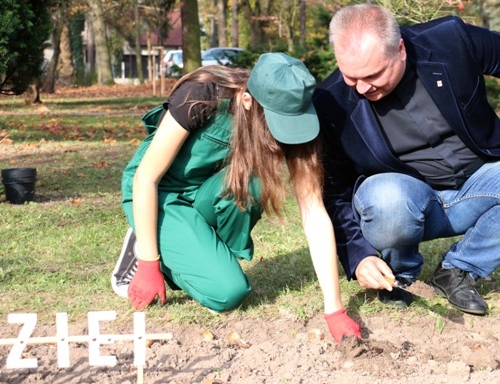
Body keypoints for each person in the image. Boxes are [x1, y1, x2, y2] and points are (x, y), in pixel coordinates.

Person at [312, 4, 500, 315]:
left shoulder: (449, 41)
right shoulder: (331, 102)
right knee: (386, 197)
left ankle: (459, 269)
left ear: (400, 49)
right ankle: (399, 275)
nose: (361, 87)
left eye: (373, 74)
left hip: (478, 183)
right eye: (350, 76)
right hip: (404, 200)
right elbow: (337, 191)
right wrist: (358, 256)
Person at [111, 52, 362, 343]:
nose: (283, 136)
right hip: (160, 194)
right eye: (277, 124)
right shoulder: (202, 94)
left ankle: (187, 247)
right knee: (228, 293)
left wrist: (334, 310)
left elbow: (313, 209)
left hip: (207, 190)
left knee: (254, 183)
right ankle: (148, 239)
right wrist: (148, 264)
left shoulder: (298, 113)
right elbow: (146, 178)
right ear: (247, 102)